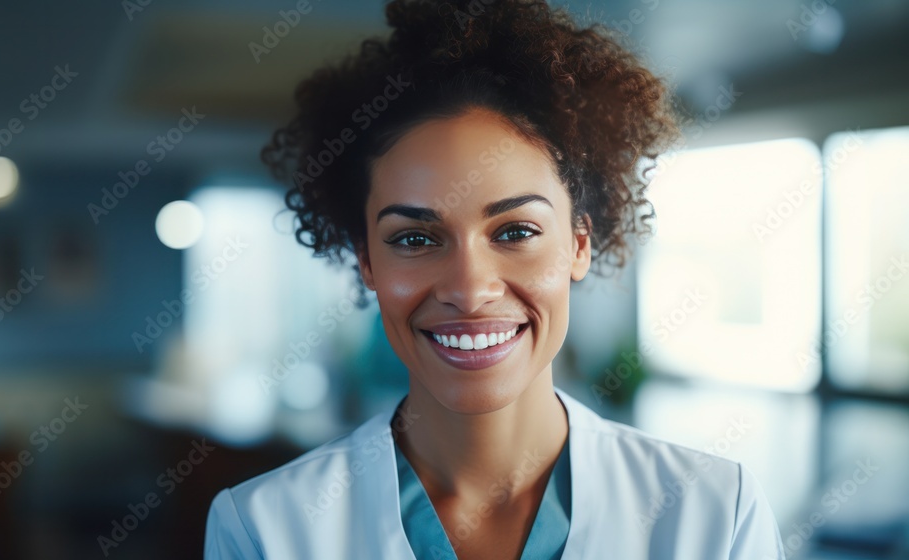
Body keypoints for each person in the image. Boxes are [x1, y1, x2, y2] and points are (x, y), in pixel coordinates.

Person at [205, 0, 787, 558]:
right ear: (367, 263)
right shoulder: (265, 530)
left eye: (514, 232)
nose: (469, 288)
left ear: (578, 244)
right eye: (415, 239)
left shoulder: (715, 515)